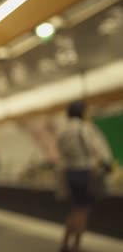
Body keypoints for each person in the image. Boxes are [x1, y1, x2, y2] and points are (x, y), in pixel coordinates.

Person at [56, 100, 112, 252]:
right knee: (82, 211)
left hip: (70, 172)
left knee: (75, 209)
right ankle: (76, 246)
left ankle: (64, 243)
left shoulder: (62, 130)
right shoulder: (85, 128)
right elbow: (96, 148)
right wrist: (106, 163)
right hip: (84, 172)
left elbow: (60, 151)